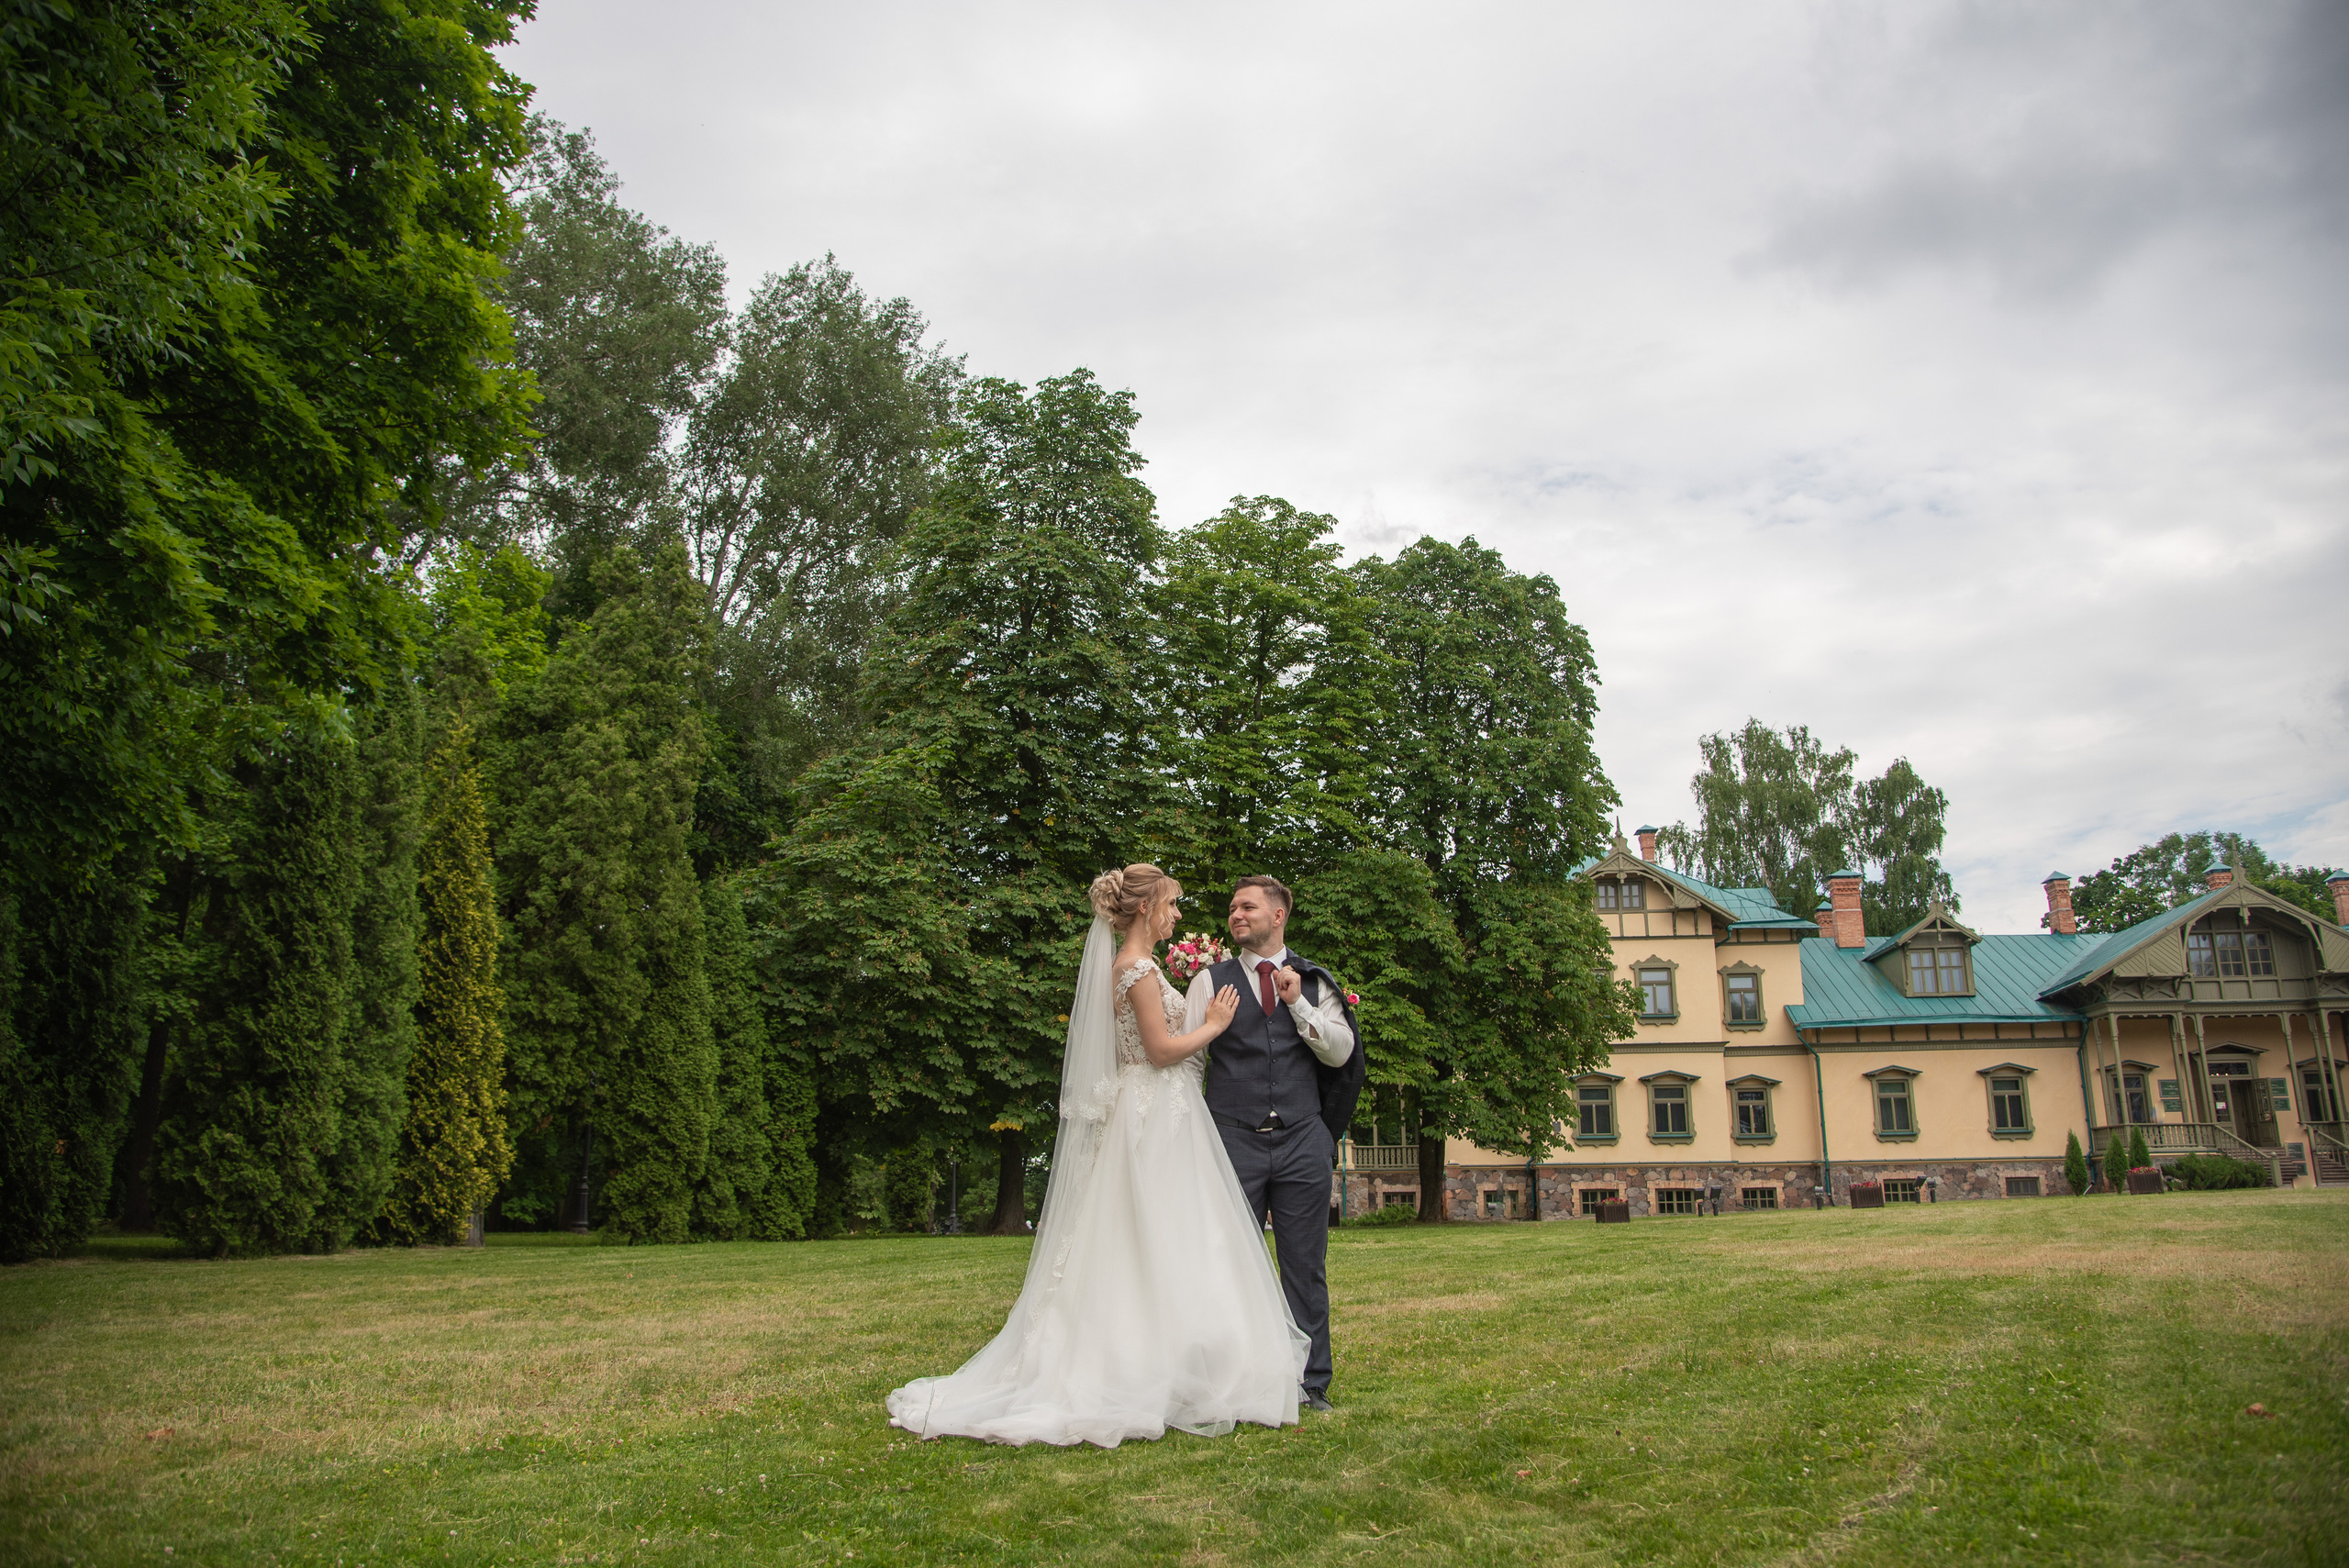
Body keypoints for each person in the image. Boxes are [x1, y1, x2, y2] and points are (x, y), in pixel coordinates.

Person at [884, 864, 1310, 1447]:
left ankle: (1178, 1361)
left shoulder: (1144, 966)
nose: (1177, 915)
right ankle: (1143, 1367)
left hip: (1163, 1109)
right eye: (1171, 904)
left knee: (1164, 1237)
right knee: (1149, 1236)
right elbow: (1159, 1051)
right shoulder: (1134, 969)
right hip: (1153, 1107)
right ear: (1144, 909)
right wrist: (1212, 1025)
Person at [1183, 874, 1363, 1410]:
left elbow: (1341, 1052)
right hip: (1230, 1140)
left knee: (1304, 1267)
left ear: (1278, 915)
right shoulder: (1208, 982)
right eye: (1232, 907)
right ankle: (1229, 1382)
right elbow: (1190, 1064)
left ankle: (1310, 1385)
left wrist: (1298, 1007)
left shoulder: (1313, 981)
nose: (1236, 915)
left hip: (1303, 1141)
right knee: (1224, 1263)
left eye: (1247, 907)